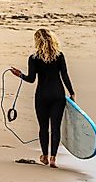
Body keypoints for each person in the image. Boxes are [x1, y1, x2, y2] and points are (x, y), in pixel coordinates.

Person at [10, 29, 74, 168]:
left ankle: (44, 156)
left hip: (42, 96)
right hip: (58, 95)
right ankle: (53, 158)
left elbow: (31, 79)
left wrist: (20, 75)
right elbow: (64, 75)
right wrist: (72, 93)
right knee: (55, 127)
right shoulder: (59, 56)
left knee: (43, 127)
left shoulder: (34, 58)